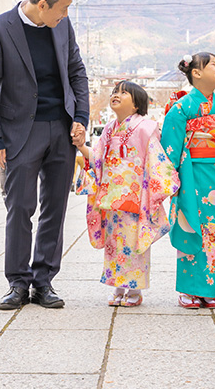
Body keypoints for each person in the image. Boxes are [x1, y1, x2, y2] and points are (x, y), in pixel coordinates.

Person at [0, 0, 89, 311]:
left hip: (61, 128)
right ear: (43, 4)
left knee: (55, 208)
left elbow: (76, 72)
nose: (66, 15)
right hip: (20, 132)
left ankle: (43, 282)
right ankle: (17, 282)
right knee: (20, 207)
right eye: (63, 8)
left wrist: (81, 118)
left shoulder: (62, 27)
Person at [76, 81, 179, 307]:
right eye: (115, 92)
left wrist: (159, 184)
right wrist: (82, 147)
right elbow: (98, 159)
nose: (116, 95)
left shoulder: (145, 128)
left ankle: (135, 289)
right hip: (112, 196)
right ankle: (118, 286)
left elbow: (155, 159)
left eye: (124, 93)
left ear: (136, 106)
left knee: (134, 242)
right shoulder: (109, 128)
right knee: (115, 242)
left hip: (136, 196)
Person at [161, 52, 215, 309]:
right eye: (213, 64)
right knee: (190, 226)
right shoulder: (181, 107)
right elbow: (170, 145)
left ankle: (210, 288)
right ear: (196, 73)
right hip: (190, 173)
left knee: (213, 230)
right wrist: (171, 176)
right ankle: (189, 289)